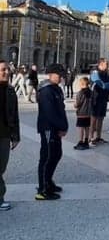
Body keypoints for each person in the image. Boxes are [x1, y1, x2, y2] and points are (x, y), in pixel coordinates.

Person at [36, 64, 69, 201]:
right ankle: (43, 189)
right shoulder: (46, 91)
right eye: (59, 75)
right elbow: (50, 112)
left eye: (62, 75)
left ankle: (48, 181)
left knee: (56, 154)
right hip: (49, 128)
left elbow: (61, 109)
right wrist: (61, 126)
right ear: (50, 75)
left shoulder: (56, 89)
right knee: (47, 157)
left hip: (56, 128)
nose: (61, 77)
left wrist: (64, 126)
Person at [0, 60, 21, 211]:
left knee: (1, 167)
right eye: (3, 70)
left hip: (5, 134)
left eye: (7, 69)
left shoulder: (10, 90)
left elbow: (15, 115)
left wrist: (16, 136)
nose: (7, 72)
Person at [89, 59, 109, 145]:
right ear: (100, 64)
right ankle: (91, 138)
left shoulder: (106, 74)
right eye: (105, 64)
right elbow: (100, 83)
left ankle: (98, 137)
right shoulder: (95, 72)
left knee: (101, 118)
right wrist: (107, 85)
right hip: (95, 98)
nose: (107, 66)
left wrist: (107, 85)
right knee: (94, 118)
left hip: (103, 98)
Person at [73, 77, 92, 150]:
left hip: (81, 113)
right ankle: (86, 141)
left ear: (81, 84)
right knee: (87, 127)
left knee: (81, 128)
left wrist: (75, 105)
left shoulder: (80, 93)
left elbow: (78, 104)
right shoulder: (91, 92)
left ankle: (80, 141)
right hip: (88, 113)